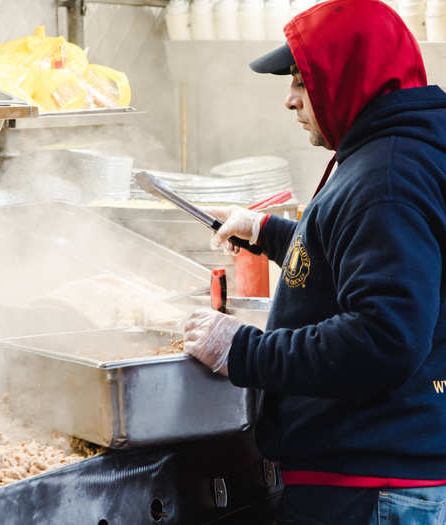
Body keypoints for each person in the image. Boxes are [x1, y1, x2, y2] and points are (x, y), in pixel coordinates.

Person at [182, 0, 446, 523]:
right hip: (372, 473)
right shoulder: (390, 155)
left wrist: (245, 351)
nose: (289, 99)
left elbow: (383, 338)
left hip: (371, 485)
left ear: (350, 79)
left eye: (302, 80)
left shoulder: (385, 180)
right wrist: (268, 232)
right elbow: (352, 257)